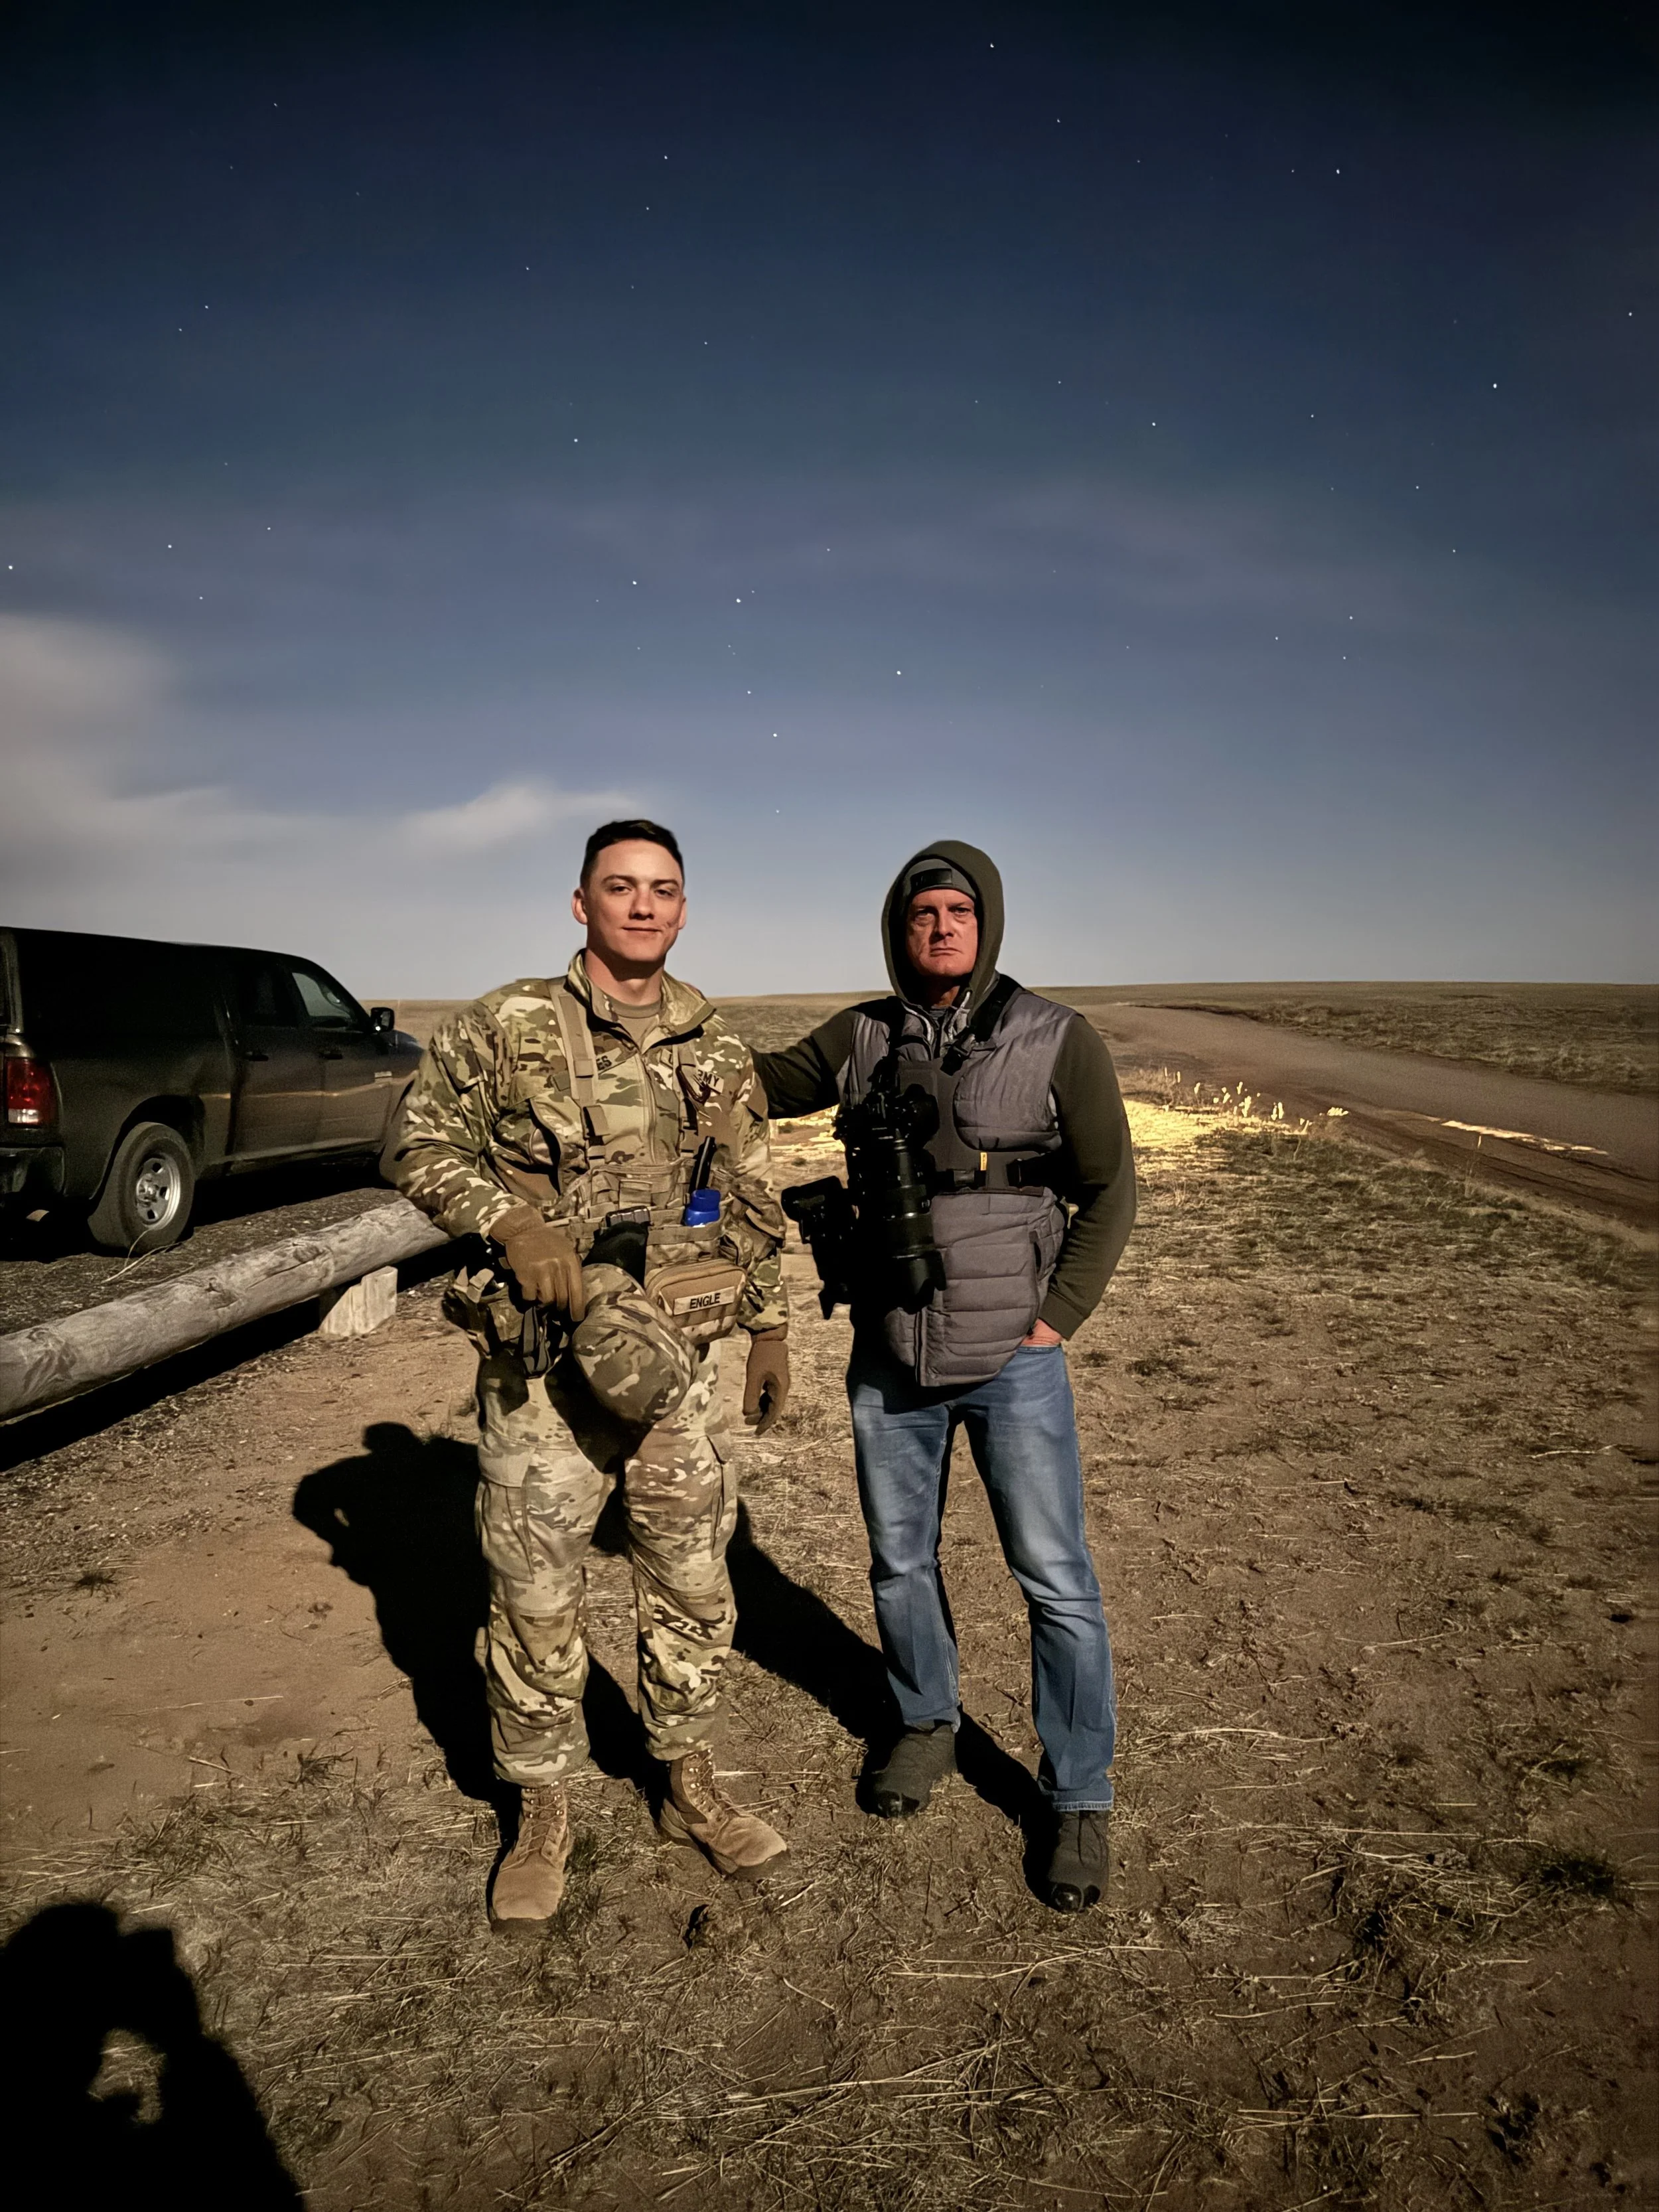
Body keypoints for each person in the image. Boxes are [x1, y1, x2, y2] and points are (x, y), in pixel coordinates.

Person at [390, 820, 792, 1933]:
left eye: (664, 889)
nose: (644, 906)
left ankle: (686, 1780)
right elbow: (416, 1144)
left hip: (682, 1374)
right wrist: (509, 1219)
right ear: (581, 904)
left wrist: (768, 1328)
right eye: (621, 888)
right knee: (533, 1594)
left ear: (684, 904)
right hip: (545, 1380)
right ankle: (543, 1809)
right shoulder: (508, 1025)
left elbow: (752, 1199)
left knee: (694, 1583)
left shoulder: (715, 1048)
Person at [754, 841, 1135, 1912]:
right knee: (898, 1564)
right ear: (897, 925)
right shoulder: (859, 1034)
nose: (942, 925)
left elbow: (1111, 1191)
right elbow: (758, 1084)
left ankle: (1078, 1793)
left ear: (989, 922)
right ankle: (925, 1723)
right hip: (889, 1353)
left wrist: (1056, 1320)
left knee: (1055, 1578)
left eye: (960, 910)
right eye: (922, 910)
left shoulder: (1057, 1036)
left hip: (1013, 1357)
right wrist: (657, 1027)